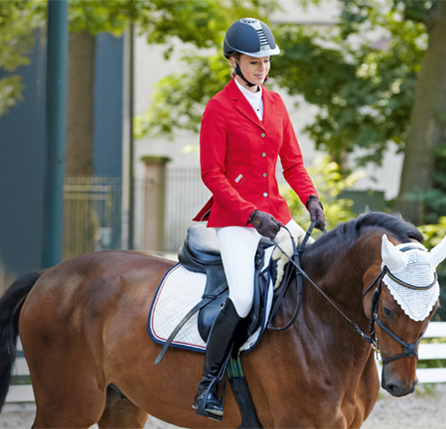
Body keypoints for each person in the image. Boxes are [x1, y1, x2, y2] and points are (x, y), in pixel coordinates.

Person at [191, 17, 326, 420]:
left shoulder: (277, 103)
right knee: (245, 297)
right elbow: (211, 174)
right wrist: (250, 213)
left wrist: (311, 198)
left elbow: (293, 163)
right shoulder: (218, 108)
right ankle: (209, 384)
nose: (262, 67)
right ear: (233, 61)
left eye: (266, 60)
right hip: (236, 220)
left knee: (319, 274)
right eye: (253, 61)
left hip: (277, 216)